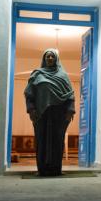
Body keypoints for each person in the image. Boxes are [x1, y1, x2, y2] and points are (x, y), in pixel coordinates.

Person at [24, 48, 76, 176]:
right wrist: (31, 110)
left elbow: (70, 95)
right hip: (41, 114)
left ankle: (56, 169)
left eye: (52, 56)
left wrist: (70, 110)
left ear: (56, 59)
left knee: (58, 140)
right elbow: (29, 94)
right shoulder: (37, 74)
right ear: (44, 59)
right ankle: (41, 170)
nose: (50, 58)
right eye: (47, 56)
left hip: (59, 114)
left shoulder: (63, 76)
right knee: (41, 140)